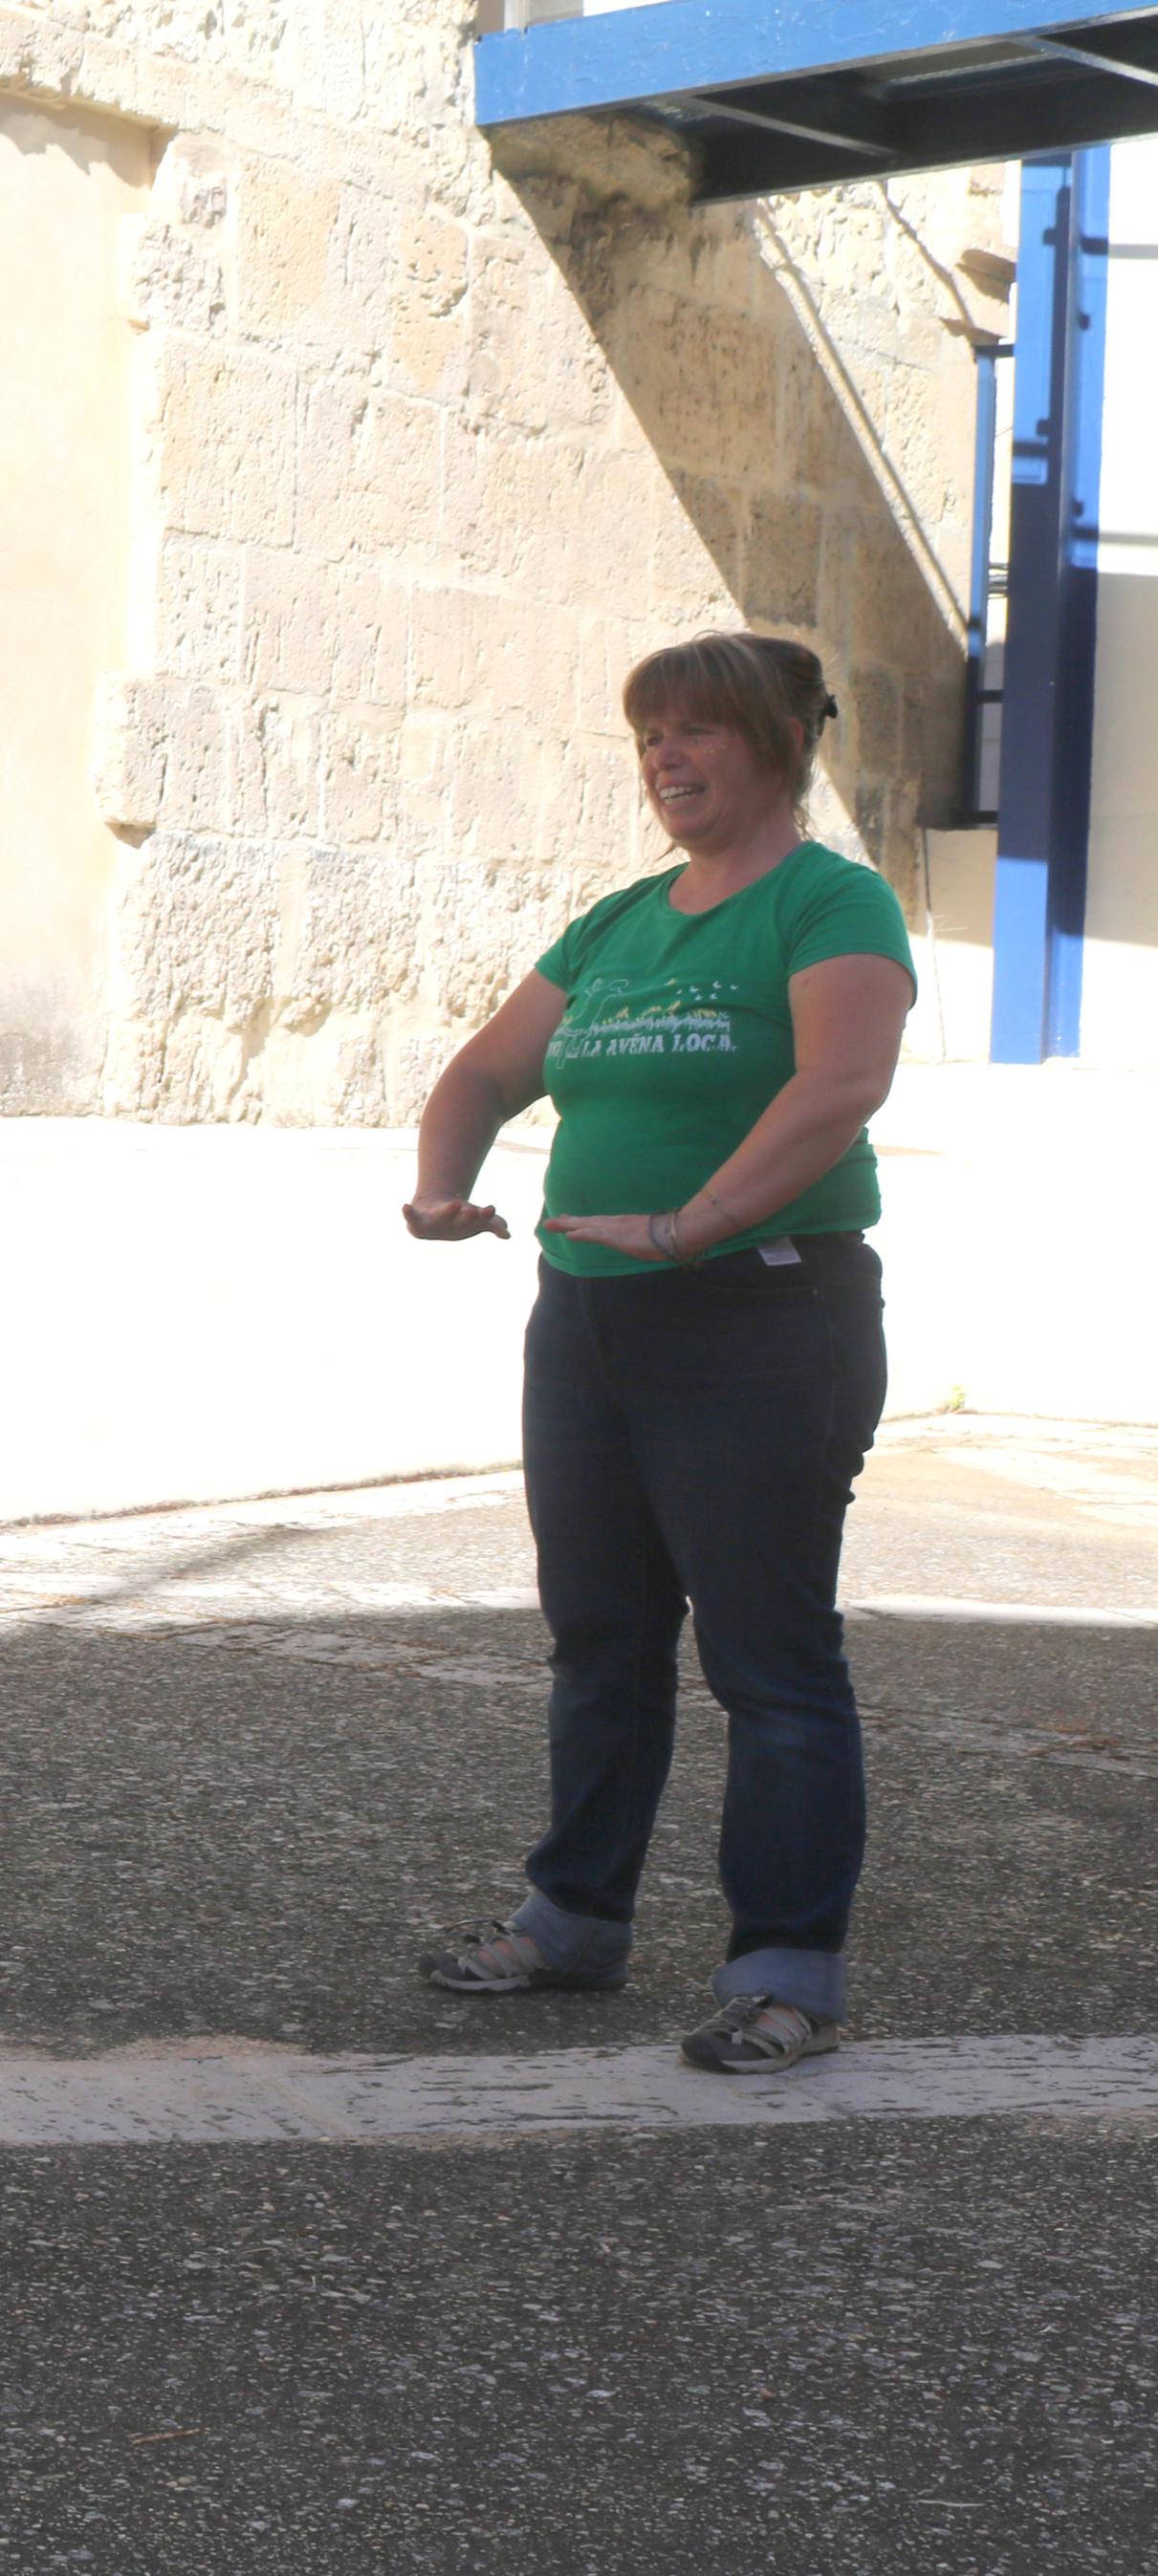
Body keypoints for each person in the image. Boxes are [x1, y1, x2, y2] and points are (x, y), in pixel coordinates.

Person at [402, 632, 915, 2074]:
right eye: (649, 738)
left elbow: (841, 1086)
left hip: (762, 1312)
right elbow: (490, 1066)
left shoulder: (833, 904)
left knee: (771, 1662)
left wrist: (696, 1222)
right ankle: (573, 1920)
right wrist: (444, 1182)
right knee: (604, 1643)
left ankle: (787, 1972)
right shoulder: (623, 920)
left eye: (698, 733)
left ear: (778, 749)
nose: (666, 761)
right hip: (588, 1318)